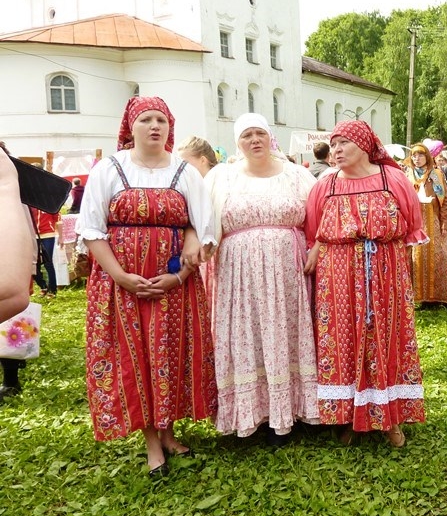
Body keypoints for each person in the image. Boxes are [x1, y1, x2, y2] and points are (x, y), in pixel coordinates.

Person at [77, 96, 218, 478]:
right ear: (130, 127)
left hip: (175, 284)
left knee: (170, 354)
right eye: (146, 120)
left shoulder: (184, 171)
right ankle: (151, 442)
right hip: (121, 285)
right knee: (135, 358)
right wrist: (121, 276)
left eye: (162, 120)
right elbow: (91, 230)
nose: (155, 126)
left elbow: (203, 227)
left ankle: (168, 430)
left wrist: (179, 275)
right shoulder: (110, 169)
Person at [304, 120, 427, 448]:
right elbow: (314, 228)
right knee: (343, 339)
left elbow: (412, 223)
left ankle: (391, 417)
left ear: (364, 145)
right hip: (338, 273)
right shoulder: (325, 184)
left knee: (387, 337)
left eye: (344, 142)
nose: (337, 150)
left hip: (386, 268)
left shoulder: (393, 179)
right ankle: (348, 416)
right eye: (334, 144)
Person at [205, 113, 319, 444]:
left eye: (260, 133)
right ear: (237, 143)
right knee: (247, 334)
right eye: (246, 135)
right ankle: (250, 413)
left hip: (288, 272)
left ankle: (291, 412)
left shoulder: (297, 176)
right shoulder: (221, 178)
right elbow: (206, 225)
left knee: (286, 332)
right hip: (240, 276)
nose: (255, 140)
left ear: (270, 137)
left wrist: (316, 248)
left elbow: (318, 218)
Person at [0, 145, 38, 402]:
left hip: (15, 262)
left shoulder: (15, 197)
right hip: (14, 266)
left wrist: (31, 267)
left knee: (11, 325)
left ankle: (11, 378)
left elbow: (27, 227)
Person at [405, 143, 447, 306]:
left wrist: (444, 223)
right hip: (415, 221)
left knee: (437, 255)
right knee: (416, 256)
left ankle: (436, 296)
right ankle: (417, 295)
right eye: (414, 156)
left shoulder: (436, 175)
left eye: (420, 155)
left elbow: (444, 200)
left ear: (427, 157)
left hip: (432, 219)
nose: (416, 159)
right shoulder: (408, 175)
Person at [31, 207, 61, 298]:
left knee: (48, 262)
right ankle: (43, 286)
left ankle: (52, 289)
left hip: (48, 234)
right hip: (33, 234)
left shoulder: (49, 202)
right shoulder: (29, 203)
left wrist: (61, 237)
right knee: (34, 263)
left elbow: (58, 219)